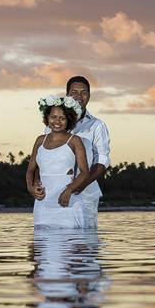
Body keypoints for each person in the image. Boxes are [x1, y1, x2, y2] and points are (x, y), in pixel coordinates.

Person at [51, 75, 110, 228]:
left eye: (83, 92)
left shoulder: (97, 126)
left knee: (84, 244)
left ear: (89, 96)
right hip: (54, 193)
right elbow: (44, 154)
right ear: (67, 95)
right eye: (74, 92)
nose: (79, 96)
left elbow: (102, 161)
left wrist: (80, 184)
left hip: (84, 194)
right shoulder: (53, 124)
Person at [27, 97, 92, 228]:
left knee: (69, 244)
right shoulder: (40, 140)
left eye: (62, 118)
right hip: (43, 202)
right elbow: (31, 169)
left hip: (67, 200)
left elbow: (85, 172)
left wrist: (69, 190)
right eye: (53, 117)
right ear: (47, 118)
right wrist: (30, 187)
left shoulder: (75, 141)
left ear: (68, 120)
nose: (57, 121)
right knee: (43, 245)